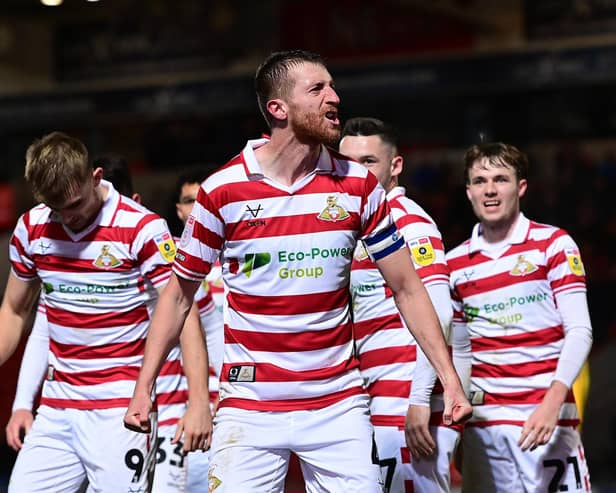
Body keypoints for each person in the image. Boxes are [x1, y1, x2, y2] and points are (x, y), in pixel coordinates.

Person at [125, 49, 471, 493]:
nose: (335, 97)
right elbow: (177, 296)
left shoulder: (358, 185)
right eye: (318, 89)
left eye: (332, 85)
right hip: (249, 409)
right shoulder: (221, 191)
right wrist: (143, 387)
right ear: (278, 109)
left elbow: (407, 288)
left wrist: (450, 380)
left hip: (338, 406)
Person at [0, 132, 211, 493]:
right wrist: (23, 402)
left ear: (96, 177)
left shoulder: (142, 228)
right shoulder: (32, 228)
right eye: (57, 208)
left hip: (122, 409)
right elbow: (15, 311)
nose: (69, 218)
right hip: (57, 407)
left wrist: (199, 402)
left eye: (76, 204)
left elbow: (185, 313)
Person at [446, 142, 592, 492]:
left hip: (547, 419)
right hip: (485, 426)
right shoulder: (453, 266)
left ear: (521, 187)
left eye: (501, 179)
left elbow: (580, 331)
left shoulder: (554, 245)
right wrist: (459, 424)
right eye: (480, 181)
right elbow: (461, 352)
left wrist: (552, 403)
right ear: (469, 191)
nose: (490, 190)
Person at [339, 117, 470, 492]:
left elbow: (440, 312)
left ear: (395, 166)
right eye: (347, 163)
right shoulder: (363, 224)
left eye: (368, 162)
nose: (356, 173)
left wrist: (418, 401)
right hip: (374, 392)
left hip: (405, 396)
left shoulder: (409, 223)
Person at [173, 169, 225, 493]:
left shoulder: (241, 255)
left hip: (231, 395)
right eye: (189, 201)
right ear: (178, 210)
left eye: (201, 201)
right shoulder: (169, 262)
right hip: (181, 396)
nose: (195, 208)